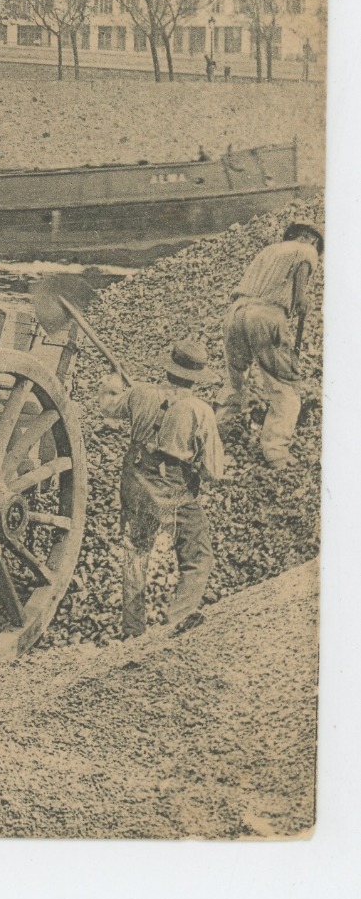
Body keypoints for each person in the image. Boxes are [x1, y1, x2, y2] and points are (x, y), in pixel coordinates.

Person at [97, 340, 226, 639]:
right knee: (198, 555)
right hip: (172, 487)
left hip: (135, 479)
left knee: (136, 552)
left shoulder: (140, 392)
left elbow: (108, 407)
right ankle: (176, 622)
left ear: (169, 368)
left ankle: (132, 631)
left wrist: (109, 385)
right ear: (196, 377)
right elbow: (213, 473)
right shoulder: (200, 411)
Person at [220, 220, 322, 467]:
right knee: (284, 387)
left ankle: (217, 432)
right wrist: (301, 300)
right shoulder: (306, 250)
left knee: (235, 377)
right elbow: (300, 280)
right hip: (266, 316)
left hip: (235, 313)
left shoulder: (268, 251)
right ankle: (276, 452)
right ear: (312, 239)